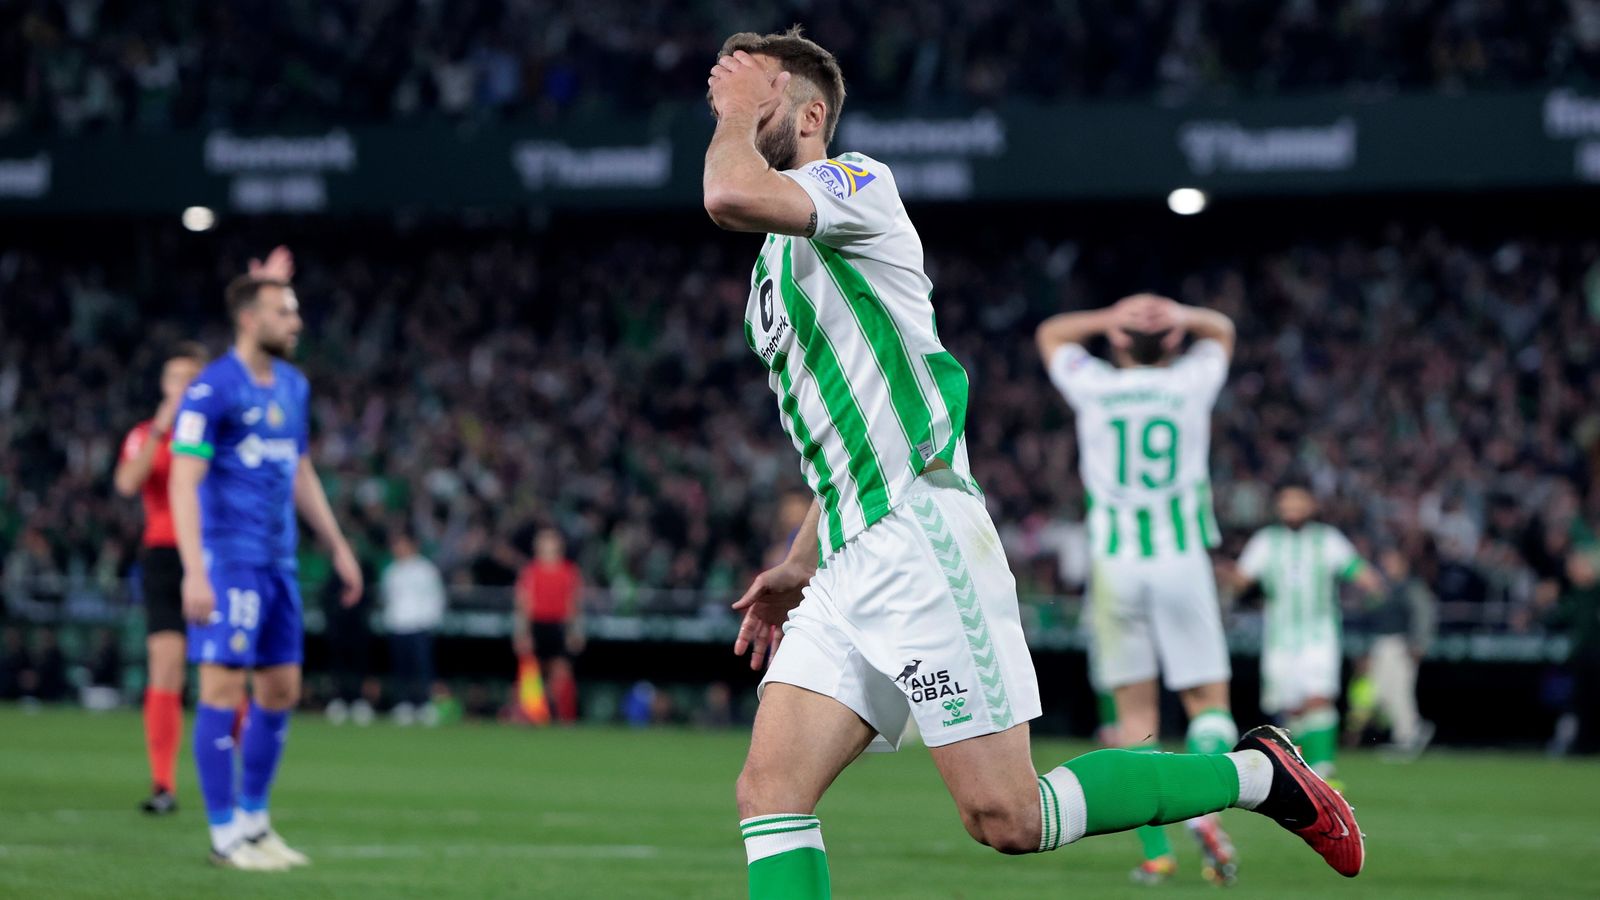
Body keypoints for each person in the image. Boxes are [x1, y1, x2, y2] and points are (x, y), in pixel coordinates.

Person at [703, 28, 1363, 899]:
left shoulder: (857, 184)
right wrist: (800, 558)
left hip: (922, 541)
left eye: (763, 98)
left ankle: (1259, 776)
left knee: (1010, 819)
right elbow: (856, 427)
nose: (739, 113)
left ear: (812, 115)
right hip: (849, 556)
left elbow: (725, 192)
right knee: (770, 791)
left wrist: (733, 115)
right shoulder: (770, 272)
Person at [1036, 294, 1241, 885]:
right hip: (1181, 559)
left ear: (1119, 343)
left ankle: (1156, 851)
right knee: (1208, 703)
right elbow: (1221, 329)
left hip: (1116, 564)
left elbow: (1053, 331)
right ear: (1175, 343)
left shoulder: (1095, 385)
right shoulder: (1191, 382)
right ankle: (1202, 812)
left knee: (1135, 721)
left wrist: (1110, 318)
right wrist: (1175, 315)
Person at [169, 246, 362, 870]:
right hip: (229, 560)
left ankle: (255, 821)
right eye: (284, 311)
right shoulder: (211, 389)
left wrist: (336, 545)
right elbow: (182, 481)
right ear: (250, 319)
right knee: (223, 686)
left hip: (279, 562)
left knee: (281, 688)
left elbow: (300, 468)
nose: (297, 322)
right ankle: (224, 834)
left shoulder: (294, 386)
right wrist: (195, 569)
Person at [1227, 483, 1383, 783]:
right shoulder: (1265, 541)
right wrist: (1227, 579)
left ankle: (1323, 773)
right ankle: (1300, 775)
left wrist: (1375, 588)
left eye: (1298, 499)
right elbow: (1241, 580)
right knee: (1291, 709)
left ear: (1311, 504)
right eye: (1285, 500)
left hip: (1319, 636)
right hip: (1279, 640)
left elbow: (1358, 571)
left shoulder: (1327, 540)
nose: (1291, 506)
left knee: (1318, 698)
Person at [114, 340, 207, 815]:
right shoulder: (146, 435)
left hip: (212, 556)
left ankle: (234, 778)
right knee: (166, 665)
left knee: (223, 673)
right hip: (164, 556)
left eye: (191, 378)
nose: (183, 387)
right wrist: (160, 431)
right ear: (163, 386)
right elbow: (128, 483)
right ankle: (163, 785)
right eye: (175, 379)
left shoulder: (216, 432)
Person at [1354, 547, 1437, 756]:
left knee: (1400, 692)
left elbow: (1424, 614)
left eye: (1391, 561)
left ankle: (1407, 737)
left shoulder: (1411, 586)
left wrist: (1419, 644)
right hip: (1380, 644)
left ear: (1403, 563)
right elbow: (1367, 615)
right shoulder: (1382, 587)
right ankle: (1415, 728)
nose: (1387, 565)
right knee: (1381, 694)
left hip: (1401, 644)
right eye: (1385, 561)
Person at [513, 528, 584, 723]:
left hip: (559, 625)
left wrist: (575, 631)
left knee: (561, 674)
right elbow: (523, 604)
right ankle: (532, 715)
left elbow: (574, 604)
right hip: (537, 625)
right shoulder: (531, 571)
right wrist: (522, 633)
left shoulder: (569, 571)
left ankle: (562, 715)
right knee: (532, 673)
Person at [381, 530, 446, 725]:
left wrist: (429, 622)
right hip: (398, 626)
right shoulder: (391, 571)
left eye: (401, 544)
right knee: (402, 668)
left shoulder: (426, 570)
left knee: (422, 668)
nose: (397, 549)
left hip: (419, 626)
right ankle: (404, 704)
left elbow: (436, 597)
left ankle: (424, 704)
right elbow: (388, 598)